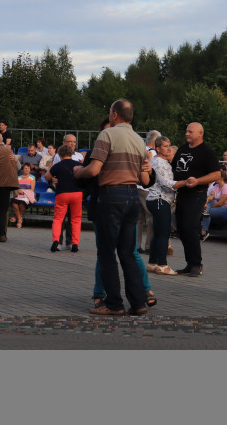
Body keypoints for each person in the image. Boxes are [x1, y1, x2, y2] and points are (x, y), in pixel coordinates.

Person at [75, 99, 152, 315]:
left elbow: (93, 170)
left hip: (111, 196)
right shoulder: (139, 140)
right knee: (128, 253)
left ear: (115, 114)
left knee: (107, 253)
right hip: (132, 196)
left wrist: (78, 172)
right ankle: (138, 303)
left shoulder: (106, 135)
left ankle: (114, 304)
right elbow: (145, 179)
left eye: (110, 111)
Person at [170, 122, 221, 277]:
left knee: (191, 228)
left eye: (190, 132)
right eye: (186, 131)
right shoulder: (182, 149)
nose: (187, 134)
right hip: (182, 194)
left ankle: (196, 264)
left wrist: (198, 181)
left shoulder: (207, 152)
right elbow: (174, 169)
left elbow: (217, 175)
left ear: (200, 133)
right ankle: (189, 263)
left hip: (197, 194)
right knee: (182, 229)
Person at [144, 136, 176, 274]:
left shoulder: (162, 161)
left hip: (158, 199)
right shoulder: (159, 162)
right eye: (165, 146)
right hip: (159, 199)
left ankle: (152, 263)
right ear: (157, 148)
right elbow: (165, 182)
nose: (168, 148)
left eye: (169, 145)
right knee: (163, 233)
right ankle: (162, 264)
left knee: (157, 233)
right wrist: (183, 183)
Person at [43, 145, 83, 253]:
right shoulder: (78, 164)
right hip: (77, 193)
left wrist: (53, 173)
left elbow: (46, 176)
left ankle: (56, 241)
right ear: (71, 154)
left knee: (58, 219)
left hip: (62, 193)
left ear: (59, 155)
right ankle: (74, 243)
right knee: (75, 219)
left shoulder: (58, 165)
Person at [202, 169, 227, 241]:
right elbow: (211, 197)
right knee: (208, 205)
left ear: (221, 178)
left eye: (215, 176)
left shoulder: (226, 188)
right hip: (220, 207)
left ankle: (204, 232)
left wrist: (209, 207)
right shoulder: (216, 186)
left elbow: (220, 202)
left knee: (207, 212)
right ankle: (203, 231)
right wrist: (206, 203)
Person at [11, 163, 37, 228]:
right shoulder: (18, 178)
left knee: (21, 204)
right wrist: (18, 190)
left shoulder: (32, 178)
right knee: (14, 203)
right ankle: (19, 218)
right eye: (25, 168)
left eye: (28, 168)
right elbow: (16, 187)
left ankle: (16, 217)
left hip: (27, 194)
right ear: (22, 170)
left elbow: (32, 189)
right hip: (18, 194)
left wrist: (23, 192)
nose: (27, 169)